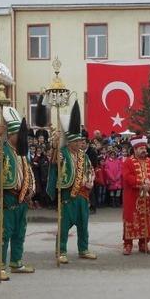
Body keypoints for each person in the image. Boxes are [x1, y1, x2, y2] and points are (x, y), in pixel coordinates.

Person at [0, 107, 36, 279]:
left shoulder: (22, 152)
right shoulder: (3, 147)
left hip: (22, 199)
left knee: (19, 233)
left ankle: (16, 262)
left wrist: (31, 191)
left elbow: (28, 172)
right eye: (19, 135)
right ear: (12, 135)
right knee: (4, 233)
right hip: (7, 198)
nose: (22, 138)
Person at [48, 102, 97, 264]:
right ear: (69, 142)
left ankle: (83, 249)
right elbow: (54, 163)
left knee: (83, 225)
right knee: (64, 225)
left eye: (79, 142)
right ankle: (61, 251)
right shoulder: (62, 153)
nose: (78, 144)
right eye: (75, 142)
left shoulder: (84, 156)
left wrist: (89, 181)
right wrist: (55, 148)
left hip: (83, 195)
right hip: (68, 195)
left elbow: (90, 170)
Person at [121, 135, 150, 255]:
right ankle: (128, 245)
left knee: (146, 219)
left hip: (147, 197)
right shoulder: (128, 162)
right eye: (140, 148)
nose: (143, 150)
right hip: (132, 197)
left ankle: (144, 243)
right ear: (135, 149)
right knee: (131, 219)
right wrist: (141, 183)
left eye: (144, 148)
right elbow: (127, 177)